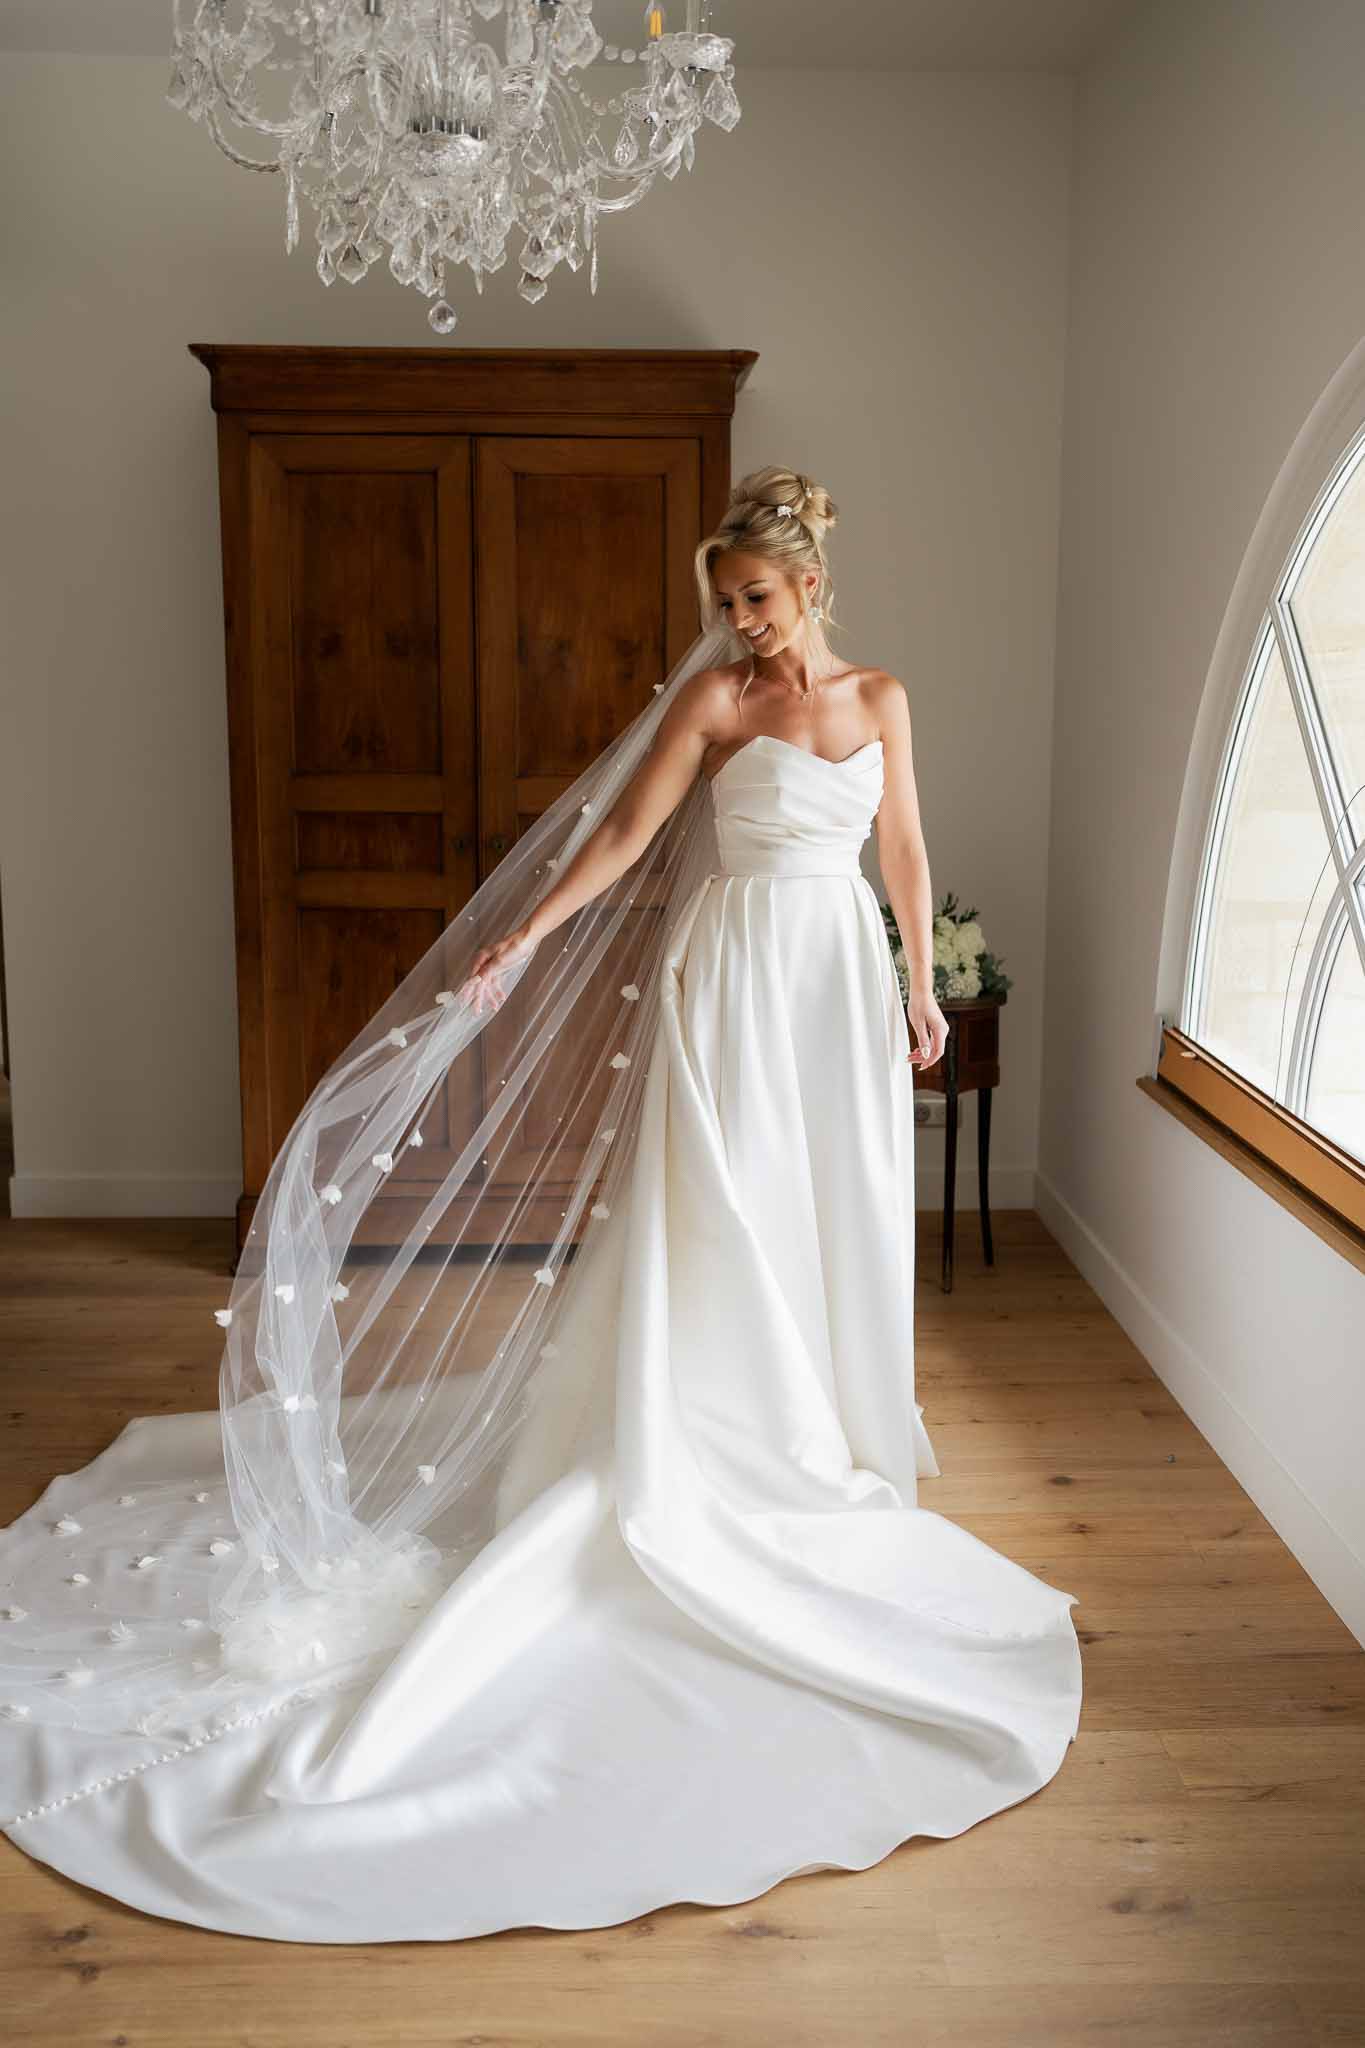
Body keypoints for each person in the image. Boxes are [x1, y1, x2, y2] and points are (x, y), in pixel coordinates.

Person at [0, 466, 1082, 1944]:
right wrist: (519, 941)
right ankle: (709, 1432)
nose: (738, 629)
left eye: (754, 602)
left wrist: (916, 982)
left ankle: (819, 1429)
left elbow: (902, 850)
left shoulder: (879, 696)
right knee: (723, 1206)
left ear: (809, 586)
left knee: (829, 1203)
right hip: (733, 976)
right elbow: (624, 843)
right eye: (722, 607)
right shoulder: (713, 709)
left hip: (829, 973)